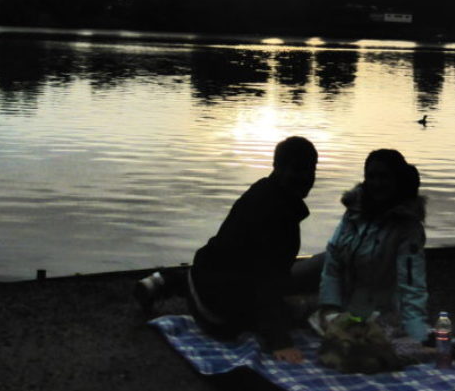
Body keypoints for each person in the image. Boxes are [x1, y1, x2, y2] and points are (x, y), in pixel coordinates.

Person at [134, 135, 318, 363]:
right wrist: (280, 341)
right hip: (218, 317)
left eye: (310, 170)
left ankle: (168, 281)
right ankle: (174, 281)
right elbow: (266, 281)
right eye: (297, 170)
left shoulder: (262, 191)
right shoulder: (277, 216)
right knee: (296, 311)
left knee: (234, 277)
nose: (306, 178)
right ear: (277, 168)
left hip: (207, 276)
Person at [314, 149, 430, 346]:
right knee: (302, 272)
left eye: (384, 177)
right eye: (371, 176)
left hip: (379, 315)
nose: (377, 183)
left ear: (397, 181)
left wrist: (417, 337)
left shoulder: (407, 228)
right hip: (343, 310)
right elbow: (333, 261)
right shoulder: (353, 214)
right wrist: (330, 309)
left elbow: (412, 286)